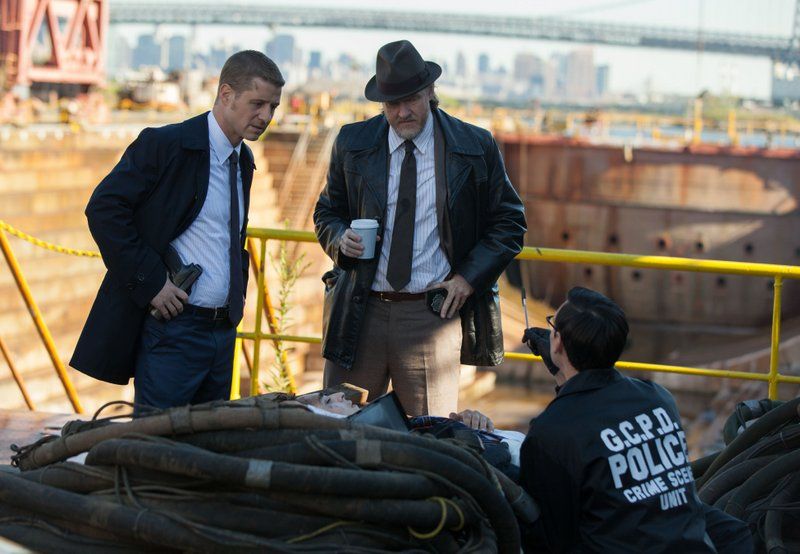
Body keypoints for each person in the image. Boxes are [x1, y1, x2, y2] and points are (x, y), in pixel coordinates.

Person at [313, 39, 526, 417]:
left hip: (432, 317)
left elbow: (510, 222)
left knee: (430, 438)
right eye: (392, 103)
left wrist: (467, 279)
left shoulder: (474, 146)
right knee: (339, 429)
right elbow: (327, 212)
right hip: (360, 313)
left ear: (430, 91)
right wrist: (339, 241)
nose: (403, 112)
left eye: (412, 98)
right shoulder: (352, 142)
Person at [70, 51, 284, 410]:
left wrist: (235, 307)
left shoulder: (242, 160)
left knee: (206, 448)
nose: (266, 116)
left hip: (222, 333)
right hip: (174, 332)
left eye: (273, 107)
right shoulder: (165, 145)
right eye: (258, 103)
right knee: (156, 447)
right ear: (226, 95)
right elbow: (104, 209)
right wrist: (152, 283)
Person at [518, 286, 752, 553]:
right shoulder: (658, 398)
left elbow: (551, 537)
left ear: (557, 343)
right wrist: (562, 372)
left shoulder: (549, 433)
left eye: (553, 326)